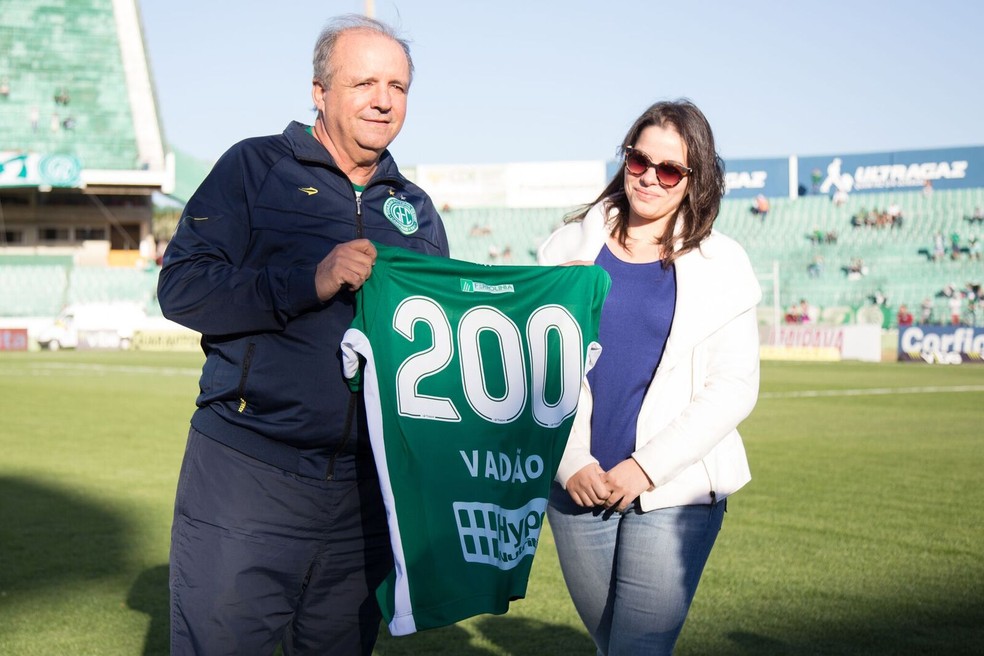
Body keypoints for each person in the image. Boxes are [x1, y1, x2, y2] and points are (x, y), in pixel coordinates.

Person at [157, 15, 449, 655]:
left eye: (397, 86)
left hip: (366, 493)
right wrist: (305, 281)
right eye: (364, 82)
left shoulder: (417, 208)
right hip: (248, 472)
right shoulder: (253, 167)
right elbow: (181, 286)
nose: (382, 100)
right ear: (319, 91)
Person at [537, 100, 761, 655]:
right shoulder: (567, 247)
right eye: (640, 161)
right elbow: (541, 369)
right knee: (612, 644)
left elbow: (734, 386)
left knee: (637, 649)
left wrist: (646, 468)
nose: (650, 179)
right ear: (626, 159)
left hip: (674, 490)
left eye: (670, 170)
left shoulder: (722, 262)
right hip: (578, 488)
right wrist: (571, 465)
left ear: (694, 179)